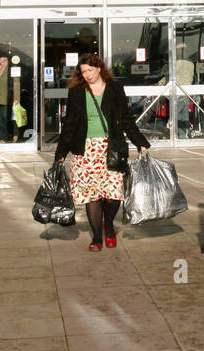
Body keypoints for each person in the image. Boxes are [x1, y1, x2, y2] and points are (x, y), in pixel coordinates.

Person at [54, 52, 150, 250]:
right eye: (83, 72)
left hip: (111, 148)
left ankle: (108, 225)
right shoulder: (77, 91)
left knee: (114, 194)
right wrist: (61, 153)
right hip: (86, 150)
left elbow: (125, 118)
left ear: (99, 68)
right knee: (92, 195)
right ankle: (97, 236)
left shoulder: (115, 88)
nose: (87, 75)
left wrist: (140, 142)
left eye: (90, 70)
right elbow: (70, 124)